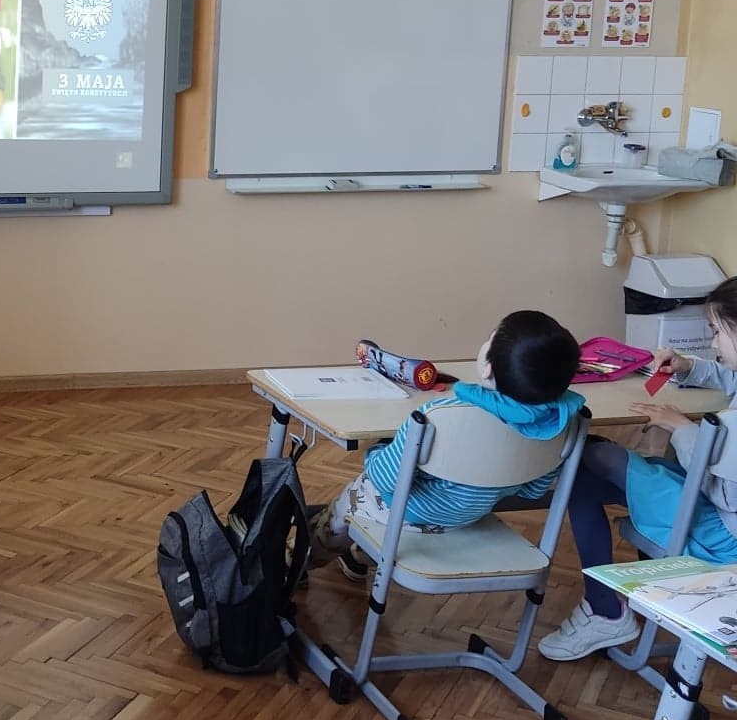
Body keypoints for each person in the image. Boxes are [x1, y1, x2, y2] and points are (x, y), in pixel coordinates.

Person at [538, 278, 737, 660]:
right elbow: (731, 376)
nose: (713, 343)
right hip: (714, 508)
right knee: (582, 474)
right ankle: (606, 606)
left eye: (716, 332)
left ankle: (606, 611)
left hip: (719, 531)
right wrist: (688, 367)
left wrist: (683, 429)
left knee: (593, 458)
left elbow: (723, 492)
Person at [311, 310, 584, 574]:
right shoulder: (563, 425)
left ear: (487, 368)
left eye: (490, 338)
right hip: (465, 518)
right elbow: (533, 491)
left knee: (349, 502)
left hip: (403, 513)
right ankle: (361, 556)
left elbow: (384, 479)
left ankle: (298, 562)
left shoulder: (438, 417)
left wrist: (376, 449)